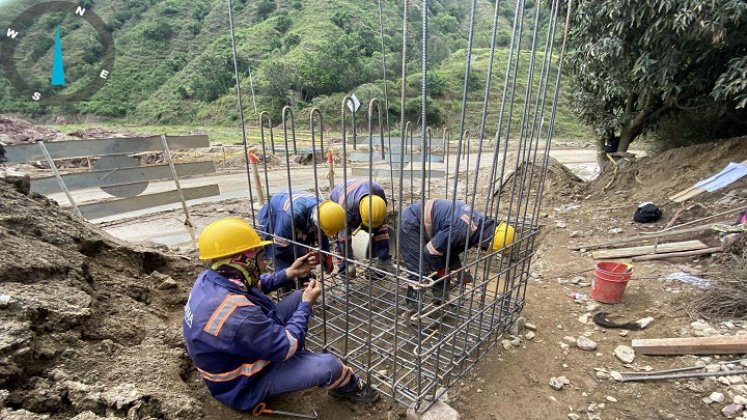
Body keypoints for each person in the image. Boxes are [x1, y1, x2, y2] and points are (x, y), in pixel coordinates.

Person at [183, 218, 379, 413]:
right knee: (329, 365)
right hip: (243, 384)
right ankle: (349, 387)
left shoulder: (212, 278)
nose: (264, 263)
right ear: (243, 262)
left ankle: (293, 356)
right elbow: (287, 346)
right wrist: (306, 305)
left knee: (298, 296)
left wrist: (289, 273)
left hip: (237, 355)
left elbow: (255, 285)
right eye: (259, 258)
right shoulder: (236, 316)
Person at [398, 199, 516, 309]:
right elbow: (430, 251)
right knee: (420, 270)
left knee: (443, 266)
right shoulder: (462, 230)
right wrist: (441, 270)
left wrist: (459, 271)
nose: (484, 250)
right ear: (488, 242)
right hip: (412, 222)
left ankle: (440, 300)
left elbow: (449, 250)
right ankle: (412, 309)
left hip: (430, 225)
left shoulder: (479, 227)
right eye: (487, 249)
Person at [257, 191, 345, 288]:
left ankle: (304, 281)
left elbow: (323, 233)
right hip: (274, 216)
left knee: (303, 253)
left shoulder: (324, 212)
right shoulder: (292, 216)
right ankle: (287, 291)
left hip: (297, 216)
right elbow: (280, 244)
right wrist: (307, 251)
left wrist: (326, 254)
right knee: (282, 258)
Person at [329, 179, 394, 277]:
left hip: (358, 194)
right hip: (339, 198)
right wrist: (349, 262)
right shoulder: (346, 209)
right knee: (341, 239)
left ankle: (383, 261)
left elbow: (380, 221)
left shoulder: (379, 193)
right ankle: (344, 271)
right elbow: (344, 238)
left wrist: (383, 256)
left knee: (381, 228)